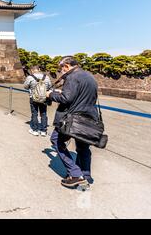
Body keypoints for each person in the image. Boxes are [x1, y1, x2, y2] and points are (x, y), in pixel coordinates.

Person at [47, 56, 99, 189]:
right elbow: (82, 95)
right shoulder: (89, 76)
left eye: (61, 68)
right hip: (89, 117)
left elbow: (66, 98)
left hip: (72, 119)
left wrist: (51, 95)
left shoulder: (72, 77)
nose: (61, 71)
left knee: (56, 140)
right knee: (83, 147)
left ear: (67, 66)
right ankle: (85, 175)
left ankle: (75, 175)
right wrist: (62, 91)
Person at [23, 65, 52, 137]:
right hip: (44, 98)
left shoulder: (30, 77)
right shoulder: (46, 77)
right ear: (39, 69)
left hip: (33, 98)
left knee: (34, 113)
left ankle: (35, 130)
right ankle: (43, 131)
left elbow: (25, 86)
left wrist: (32, 87)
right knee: (44, 113)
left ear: (32, 70)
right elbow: (49, 86)